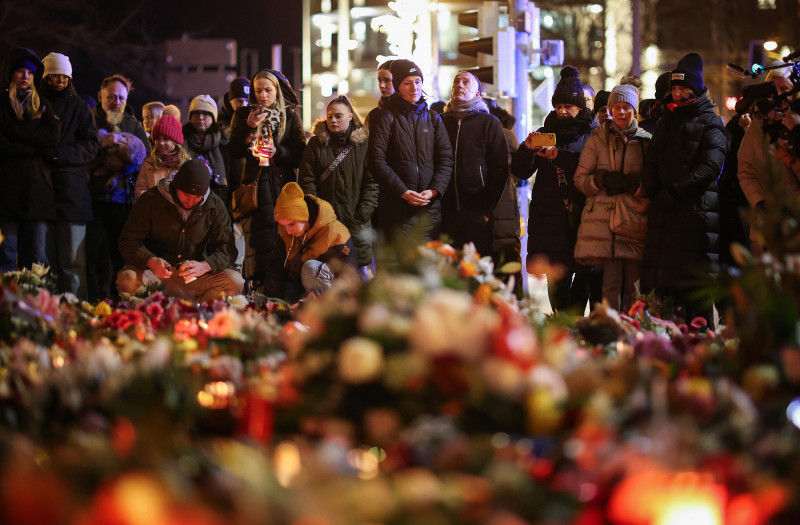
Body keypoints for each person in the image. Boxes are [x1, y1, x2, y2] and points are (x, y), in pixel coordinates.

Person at [641, 53, 727, 323]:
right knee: (664, 299)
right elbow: (651, 160)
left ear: (696, 89)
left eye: (683, 88)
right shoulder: (667, 121)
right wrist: (654, 189)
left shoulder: (710, 121)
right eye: (674, 88)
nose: (677, 93)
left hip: (694, 219)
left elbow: (710, 167)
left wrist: (675, 192)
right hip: (664, 219)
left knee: (694, 301)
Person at [511, 65, 598, 313]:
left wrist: (559, 156)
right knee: (555, 282)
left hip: (581, 218)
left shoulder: (593, 135)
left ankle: (577, 329)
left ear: (580, 106)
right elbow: (521, 171)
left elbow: (589, 168)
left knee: (582, 277)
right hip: (549, 220)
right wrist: (527, 149)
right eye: (558, 106)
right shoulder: (544, 133)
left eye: (567, 106)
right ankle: (563, 328)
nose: (562, 111)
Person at [117, 159, 242, 303]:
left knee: (235, 281)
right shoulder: (151, 200)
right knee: (127, 280)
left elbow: (227, 248)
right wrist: (150, 260)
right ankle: (149, 314)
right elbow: (128, 241)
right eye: (187, 195)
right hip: (154, 274)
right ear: (176, 186)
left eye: (197, 197)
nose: (191, 201)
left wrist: (206, 265)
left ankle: (198, 313)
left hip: (192, 277)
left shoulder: (214, 205)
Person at [573, 83, 652, 311]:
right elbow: (580, 179)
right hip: (604, 224)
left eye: (627, 107)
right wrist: (601, 180)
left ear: (635, 110)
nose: (621, 112)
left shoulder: (646, 141)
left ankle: (635, 338)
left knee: (634, 289)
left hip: (634, 220)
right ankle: (609, 338)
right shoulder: (597, 138)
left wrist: (636, 187)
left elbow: (654, 182)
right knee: (609, 287)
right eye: (616, 107)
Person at [228, 69, 306, 286]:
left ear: (277, 90)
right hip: (256, 188)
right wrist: (249, 127)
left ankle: (285, 290)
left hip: (283, 186)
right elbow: (233, 150)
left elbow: (300, 152)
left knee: (285, 241)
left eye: (268, 90)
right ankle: (257, 289)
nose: (263, 95)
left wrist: (277, 152)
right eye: (258, 90)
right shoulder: (243, 115)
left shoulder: (289, 116)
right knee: (257, 243)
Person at [367, 59, 453, 243]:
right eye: (407, 83)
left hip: (429, 209)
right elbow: (376, 160)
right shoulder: (385, 117)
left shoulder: (433, 118)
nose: (414, 87)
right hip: (397, 209)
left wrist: (434, 190)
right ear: (398, 86)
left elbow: (446, 159)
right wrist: (402, 191)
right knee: (400, 267)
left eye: (417, 81)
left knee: (430, 267)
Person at [39, 52, 100, 299]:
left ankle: (77, 314)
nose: (59, 81)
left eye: (64, 76)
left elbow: (91, 144)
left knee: (73, 265)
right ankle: (48, 314)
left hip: (73, 195)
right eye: (54, 75)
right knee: (44, 266)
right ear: (46, 77)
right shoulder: (37, 104)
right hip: (41, 193)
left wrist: (60, 154)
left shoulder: (80, 107)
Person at [298, 95, 378, 276]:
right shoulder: (316, 144)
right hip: (326, 224)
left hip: (356, 221)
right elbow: (307, 181)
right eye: (330, 116)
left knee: (358, 275)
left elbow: (371, 183)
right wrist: (318, 213)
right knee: (328, 272)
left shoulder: (363, 145)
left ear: (350, 115)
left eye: (338, 116)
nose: (333, 120)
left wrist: (362, 213)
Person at [0, 48, 61, 273]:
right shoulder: (3, 104)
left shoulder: (43, 105)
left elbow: (52, 136)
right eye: (20, 71)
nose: (25, 76)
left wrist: (15, 132)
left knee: (36, 260)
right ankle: (6, 305)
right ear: (11, 74)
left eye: (30, 72)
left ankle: (33, 306)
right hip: (6, 193)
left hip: (37, 194)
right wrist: (34, 148)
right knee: (5, 256)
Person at [440, 71, 509, 257]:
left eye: (465, 82)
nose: (459, 85)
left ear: (477, 94)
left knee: (477, 272)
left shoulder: (489, 123)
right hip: (446, 212)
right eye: (456, 82)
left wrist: (485, 210)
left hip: (477, 213)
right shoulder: (441, 122)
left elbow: (500, 168)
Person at [737, 64, 799, 256]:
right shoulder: (758, 125)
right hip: (770, 222)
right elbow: (746, 170)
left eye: (784, 89)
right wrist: (760, 201)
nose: (777, 94)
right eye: (772, 89)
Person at [264, 182, 356, 302]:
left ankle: (320, 314)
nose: (288, 230)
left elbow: (347, 277)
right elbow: (277, 267)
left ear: (305, 217)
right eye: (283, 226)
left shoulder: (335, 233)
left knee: (310, 268)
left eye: (291, 224)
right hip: (300, 288)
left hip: (332, 297)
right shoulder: (286, 233)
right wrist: (273, 302)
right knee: (262, 296)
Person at [86, 131, 146, 301]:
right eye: (111, 100)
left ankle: (117, 298)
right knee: (94, 254)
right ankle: (94, 299)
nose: (115, 102)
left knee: (118, 255)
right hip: (96, 200)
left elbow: (142, 158)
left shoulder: (132, 126)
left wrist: (121, 167)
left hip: (121, 201)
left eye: (120, 100)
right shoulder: (98, 127)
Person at [184, 94, 229, 204]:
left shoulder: (223, 140)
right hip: (189, 194)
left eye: (205, 114)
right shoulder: (182, 139)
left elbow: (232, 173)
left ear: (213, 117)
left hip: (218, 196)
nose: (200, 118)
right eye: (196, 113)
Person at [134, 115, 190, 200]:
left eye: (166, 139)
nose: (161, 143)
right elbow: (139, 191)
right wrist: (154, 197)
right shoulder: (148, 163)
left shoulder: (185, 164)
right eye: (158, 139)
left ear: (175, 141)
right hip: (154, 210)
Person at [93, 74, 150, 156]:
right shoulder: (88, 122)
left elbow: (147, 158)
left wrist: (125, 166)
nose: (117, 103)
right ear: (100, 97)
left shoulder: (135, 127)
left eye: (121, 98)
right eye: (112, 97)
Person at [365, 60, 394, 127]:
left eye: (387, 80)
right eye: (379, 80)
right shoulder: (373, 115)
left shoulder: (413, 112)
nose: (382, 85)